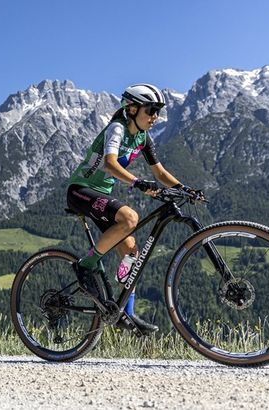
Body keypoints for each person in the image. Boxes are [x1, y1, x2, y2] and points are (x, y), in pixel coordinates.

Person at [66, 83, 204, 335]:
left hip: (100, 195)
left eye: (157, 112)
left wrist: (186, 189)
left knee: (131, 251)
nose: (155, 117)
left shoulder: (143, 138)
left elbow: (160, 173)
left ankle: (125, 315)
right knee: (130, 217)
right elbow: (109, 165)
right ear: (131, 109)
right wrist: (137, 182)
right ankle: (85, 265)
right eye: (150, 110)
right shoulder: (117, 129)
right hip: (80, 190)